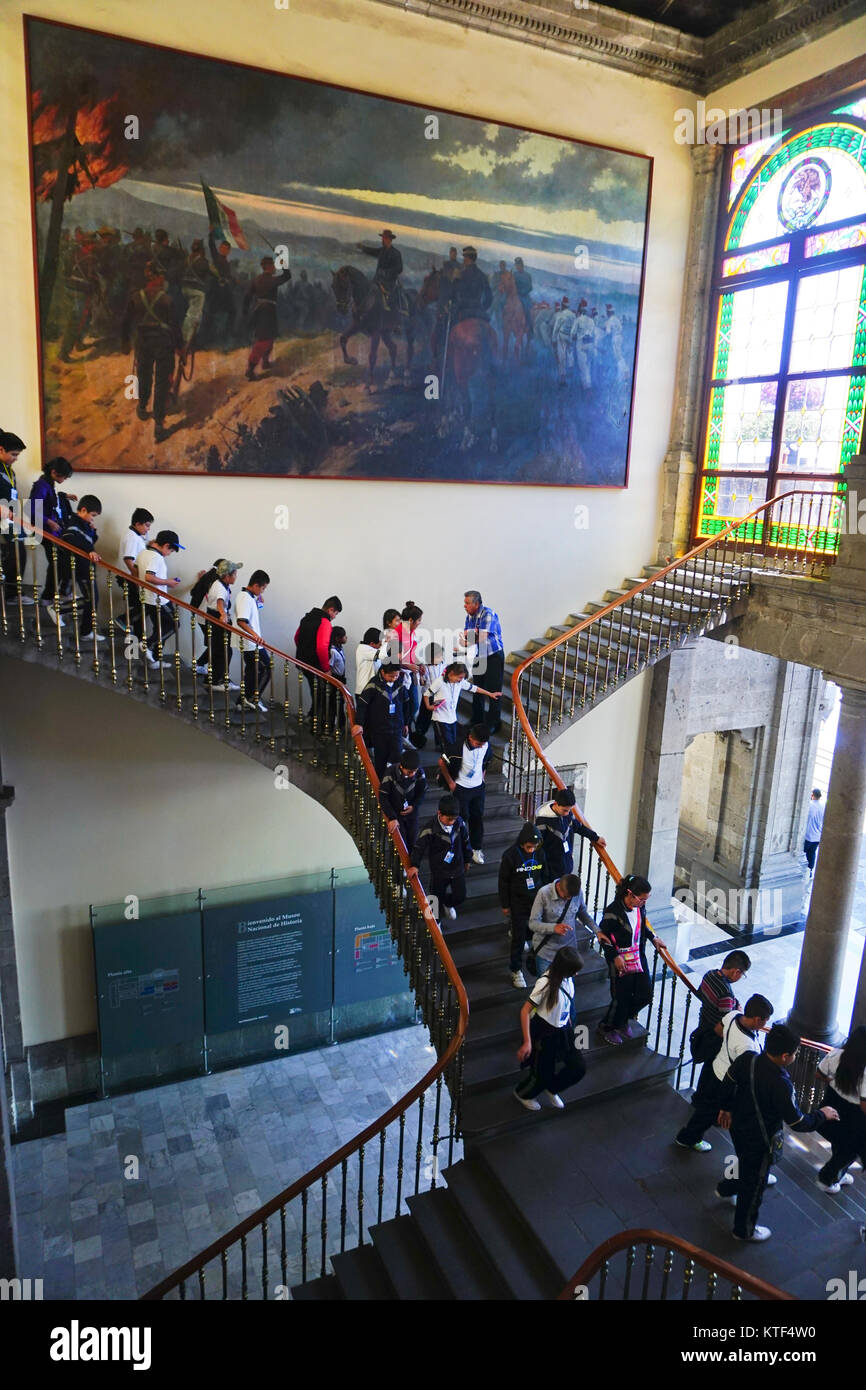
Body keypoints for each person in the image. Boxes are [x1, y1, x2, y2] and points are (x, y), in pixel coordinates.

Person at [715, 1023, 839, 1242]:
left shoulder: (748, 1059)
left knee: (746, 1161)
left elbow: (728, 1082)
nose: (794, 1057)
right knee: (754, 1184)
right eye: (794, 1054)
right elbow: (798, 1121)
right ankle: (743, 1230)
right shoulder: (781, 1084)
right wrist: (822, 1114)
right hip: (760, 1138)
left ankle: (727, 1188)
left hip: (738, 1125)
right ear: (784, 1056)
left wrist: (725, 1107)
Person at [675, 994, 774, 1153]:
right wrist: (726, 1106)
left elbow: (718, 1030)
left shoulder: (733, 1015)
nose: (765, 1024)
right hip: (726, 1082)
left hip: (715, 1069)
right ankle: (688, 1138)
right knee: (708, 1112)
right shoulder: (748, 1047)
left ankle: (689, 1135)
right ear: (757, 1019)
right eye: (765, 1020)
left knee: (706, 1108)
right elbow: (742, 1075)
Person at [514, 946, 586, 1112]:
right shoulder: (544, 984)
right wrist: (527, 1042)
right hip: (544, 1033)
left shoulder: (567, 980)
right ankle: (523, 1093)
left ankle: (552, 1088)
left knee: (578, 1067)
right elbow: (525, 1011)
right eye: (574, 971)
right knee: (541, 1075)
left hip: (564, 1029)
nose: (576, 974)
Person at [120, 260, 181, 444]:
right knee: (162, 382)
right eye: (161, 276)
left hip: (143, 343)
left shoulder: (135, 297)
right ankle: (159, 426)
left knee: (144, 375)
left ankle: (142, 406)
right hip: (163, 344)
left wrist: (125, 342)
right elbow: (175, 327)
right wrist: (180, 346)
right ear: (157, 277)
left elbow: (125, 322)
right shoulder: (167, 299)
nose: (163, 279)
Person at [597, 874, 653, 1046]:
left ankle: (622, 1020)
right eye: (641, 899)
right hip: (620, 960)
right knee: (621, 996)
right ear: (630, 894)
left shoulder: (640, 908)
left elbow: (642, 926)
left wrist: (653, 937)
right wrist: (614, 957)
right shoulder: (612, 911)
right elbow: (603, 937)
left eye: (645, 900)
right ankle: (607, 1026)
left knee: (645, 994)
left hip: (638, 956)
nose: (643, 903)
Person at [815, 1025, 866, 1193]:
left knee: (839, 1143)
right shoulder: (864, 1071)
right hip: (853, 1118)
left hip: (831, 1108)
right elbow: (864, 1105)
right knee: (850, 1150)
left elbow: (819, 1072)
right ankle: (827, 1179)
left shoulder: (836, 1054)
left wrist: (831, 1081)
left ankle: (839, 1174)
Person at [500, 824, 550, 988]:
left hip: (536, 901)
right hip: (518, 902)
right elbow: (503, 882)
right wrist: (505, 904)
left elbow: (545, 876)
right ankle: (515, 969)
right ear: (522, 843)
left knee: (533, 933)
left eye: (534, 847)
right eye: (528, 847)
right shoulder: (510, 856)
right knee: (519, 938)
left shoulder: (540, 853)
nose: (531, 850)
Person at [408, 793, 471, 922]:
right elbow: (419, 847)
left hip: (457, 867)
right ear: (439, 814)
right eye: (449, 819)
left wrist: (468, 859)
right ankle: (436, 923)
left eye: (454, 819)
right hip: (439, 871)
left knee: (460, 896)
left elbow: (466, 841)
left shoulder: (460, 823)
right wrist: (415, 865)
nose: (452, 822)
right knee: (434, 899)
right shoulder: (430, 828)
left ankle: (447, 904)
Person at [688, 951, 752, 1067]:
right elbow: (726, 1022)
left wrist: (734, 1003)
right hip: (714, 1036)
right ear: (736, 972)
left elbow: (701, 994)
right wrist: (738, 1011)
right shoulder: (726, 994)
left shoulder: (709, 974)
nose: (740, 977)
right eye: (742, 975)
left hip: (703, 1023)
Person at [441, 723, 492, 866]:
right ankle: (459, 849)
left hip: (478, 788)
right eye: (478, 743)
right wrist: (451, 782)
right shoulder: (457, 746)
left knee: (477, 818)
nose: (481, 746)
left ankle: (476, 848)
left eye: (483, 744)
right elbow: (442, 762)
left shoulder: (486, 746)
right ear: (470, 737)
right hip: (461, 788)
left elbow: (486, 761)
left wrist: (482, 777)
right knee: (461, 820)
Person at [55, 496, 104, 642]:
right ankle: (59, 609)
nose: (92, 519)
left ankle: (86, 631)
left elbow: (89, 541)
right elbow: (69, 538)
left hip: (86, 567)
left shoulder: (84, 524)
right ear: (83, 510)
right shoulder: (74, 522)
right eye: (93, 516)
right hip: (81, 567)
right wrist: (89, 550)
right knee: (91, 599)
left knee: (92, 599)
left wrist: (93, 532)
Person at [422, 661, 499, 754]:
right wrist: (429, 706)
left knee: (453, 743)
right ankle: (447, 763)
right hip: (440, 719)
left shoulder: (460, 682)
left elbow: (475, 688)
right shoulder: (439, 681)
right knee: (447, 746)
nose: (461, 680)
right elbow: (426, 694)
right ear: (451, 674)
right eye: (460, 677)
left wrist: (490, 694)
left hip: (452, 719)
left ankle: (449, 759)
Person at [133, 529, 185, 667]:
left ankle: (155, 660)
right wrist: (168, 582)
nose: (169, 554)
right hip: (158, 599)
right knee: (174, 625)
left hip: (146, 597)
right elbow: (149, 576)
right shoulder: (157, 557)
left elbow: (135, 571)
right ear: (166, 545)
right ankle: (147, 645)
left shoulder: (143, 553)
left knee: (160, 628)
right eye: (171, 551)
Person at [528, 872, 596, 976]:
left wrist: (597, 930)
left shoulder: (576, 894)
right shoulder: (543, 893)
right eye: (566, 896)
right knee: (545, 989)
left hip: (569, 954)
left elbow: (582, 913)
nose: (568, 899)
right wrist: (554, 928)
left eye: (571, 897)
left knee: (567, 989)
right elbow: (533, 923)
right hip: (546, 953)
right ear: (558, 886)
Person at [29, 457, 76, 606]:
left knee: (59, 562)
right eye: (63, 476)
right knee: (58, 563)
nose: (64, 479)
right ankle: (49, 596)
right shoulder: (41, 485)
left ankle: (57, 593)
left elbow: (51, 498)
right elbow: (32, 509)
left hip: (52, 531)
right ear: (54, 472)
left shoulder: (48, 483)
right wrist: (49, 521)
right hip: (45, 531)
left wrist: (65, 496)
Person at [534, 787, 606, 879]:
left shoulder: (568, 815)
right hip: (550, 871)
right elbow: (539, 847)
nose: (567, 813)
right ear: (556, 804)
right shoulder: (542, 820)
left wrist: (596, 838)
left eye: (569, 810)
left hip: (566, 867)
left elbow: (580, 828)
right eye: (565, 810)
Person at [354, 663, 409, 779]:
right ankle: (380, 783)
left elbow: (406, 704)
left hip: (397, 728)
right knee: (381, 758)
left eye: (396, 675)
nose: (394, 678)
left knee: (397, 756)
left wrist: (406, 723)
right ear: (383, 672)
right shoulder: (373, 685)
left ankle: (395, 781)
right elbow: (362, 705)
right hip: (379, 729)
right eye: (391, 676)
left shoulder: (400, 684)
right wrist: (359, 723)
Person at [295, 596, 343, 727]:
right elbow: (322, 647)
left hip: (302, 662)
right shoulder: (325, 622)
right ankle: (316, 724)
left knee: (315, 692)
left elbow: (297, 637)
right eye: (336, 613)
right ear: (331, 609)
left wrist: (303, 651)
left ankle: (312, 716)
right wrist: (326, 668)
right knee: (321, 695)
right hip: (316, 666)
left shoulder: (306, 618)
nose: (334, 617)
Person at [460, 590, 504, 733]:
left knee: (494, 690)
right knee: (477, 688)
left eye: (467, 603)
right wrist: (470, 638)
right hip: (480, 655)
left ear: (476, 603)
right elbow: (467, 635)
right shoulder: (470, 617)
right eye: (465, 603)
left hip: (493, 655)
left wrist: (468, 640)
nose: (464, 606)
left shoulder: (487, 614)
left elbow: (481, 637)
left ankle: (493, 722)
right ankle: (476, 719)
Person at [244, 255, 292, 380]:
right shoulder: (271, 279)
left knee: (269, 337)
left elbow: (247, 297)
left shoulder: (256, 279)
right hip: (267, 312)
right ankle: (250, 369)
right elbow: (287, 276)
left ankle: (265, 362)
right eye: (274, 265)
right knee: (264, 340)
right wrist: (284, 265)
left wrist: (246, 312)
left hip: (259, 310)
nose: (275, 267)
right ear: (269, 267)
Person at [234, 569, 271, 712]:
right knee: (266, 668)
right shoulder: (244, 597)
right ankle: (251, 699)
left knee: (252, 671)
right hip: (250, 643)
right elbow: (242, 621)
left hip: (251, 642)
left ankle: (243, 700)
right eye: (263, 588)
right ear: (256, 585)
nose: (262, 591)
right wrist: (255, 635)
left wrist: (258, 602)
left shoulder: (249, 597)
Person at [0, 430, 30, 606]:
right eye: (13, 454)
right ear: (1, 449)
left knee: (20, 546)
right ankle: (11, 593)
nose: (15, 458)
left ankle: (13, 592)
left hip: (10, 517)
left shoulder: (10, 471)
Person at [378, 749, 427, 854]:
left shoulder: (419, 773)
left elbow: (422, 792)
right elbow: (383, 796)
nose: (413, 774)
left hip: (412, 813)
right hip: (396, 814)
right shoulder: (390, 772)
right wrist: (392, 817)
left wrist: (414, 806)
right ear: (401, 766)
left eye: (414, 771)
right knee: (401, 844)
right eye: (409, 772)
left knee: (413, 842)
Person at [203, 559, 242, 690]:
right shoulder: (220, 587)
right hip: (216, 619)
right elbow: (220, 602)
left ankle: (217, 678)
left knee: (221, 650)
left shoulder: (221, 584)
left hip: (215, 617)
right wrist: (223, 615)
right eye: (235, 574)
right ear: (227, 576)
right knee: (222, 651)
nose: (236, 577)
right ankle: (215, 681)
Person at [410, 642, 445, 748]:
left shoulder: (444, 666)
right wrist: (420, 676)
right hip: (428, 697)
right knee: (423, 719)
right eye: (438, 656)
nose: (440, 658)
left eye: (441, 656)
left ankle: (440, 743)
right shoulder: (424, 668)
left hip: (439, 696)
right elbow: (422, 683)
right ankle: (418, 738)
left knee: (438, 721)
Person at [118, 508, 154, 578]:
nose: (148, 529)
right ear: (137, 524)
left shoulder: (135, 534)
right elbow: (128, 559)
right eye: (147, 525)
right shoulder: (132, 537)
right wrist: (137, 577)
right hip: (129, 576)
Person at [325, 625, 348, 731]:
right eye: (344, 636)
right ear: (337, 638)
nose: (346, 638)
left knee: (341, 703)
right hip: (335, 679)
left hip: (341, 678)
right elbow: (329, 666)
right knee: (334, 704)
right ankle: (332, 726)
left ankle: (341, 724)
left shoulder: (340, 648)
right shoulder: (333, 651)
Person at [803, 788, 825, 876]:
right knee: (812, 853)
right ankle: (810, 871)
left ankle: (804, 871)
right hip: (817, 836)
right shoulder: (823, 806)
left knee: (802, 853)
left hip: (808, 835)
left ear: (812, 795)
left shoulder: (809, 804)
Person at [355, 627, 381, 696]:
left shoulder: (372, 650)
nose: (380, 647)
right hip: (364, 690)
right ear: (372, 643)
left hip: (372, 689)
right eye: (380, 644)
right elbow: (381, 654)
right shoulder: (363, 648)